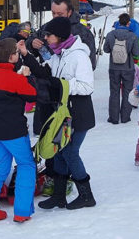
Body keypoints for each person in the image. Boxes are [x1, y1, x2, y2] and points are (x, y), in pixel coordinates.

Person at [38, 17, 96, 211]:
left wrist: (62, 85)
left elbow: (87, 86)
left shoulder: (78, 56)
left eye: (49, 34)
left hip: (79, 113)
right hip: (63, 113)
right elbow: (51, 73)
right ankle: (59, 196)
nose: (46, 37)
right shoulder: (59, 53)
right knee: (60, 152)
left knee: (70, 152)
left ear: (60, 36)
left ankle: (87, 196)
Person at [0, 38, 38, 224]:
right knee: (26, 165)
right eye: (17, 54)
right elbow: (32, 94)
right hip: (15, 131)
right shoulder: (16, 79)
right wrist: (27, 77)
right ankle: (21, 211)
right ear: (12, 57)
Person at [30, 0, 97, 69]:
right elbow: (29, 45)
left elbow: (90, 65)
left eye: (60, 14)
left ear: (69, 12)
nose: (55, 16)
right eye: (53, 13)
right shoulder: (46, 27)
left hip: (68, 78)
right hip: (46, 75)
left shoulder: (83, 33)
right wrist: (32, 44)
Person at [103, 13, 139, 124]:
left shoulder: (111, 35)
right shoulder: (132, 36)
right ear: (128, 23)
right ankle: (125, 117)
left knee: (114, 92)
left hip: (114, 68)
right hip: (128, 68)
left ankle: (113, 118)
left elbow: (106, 49)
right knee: (127, 92)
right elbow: (136, 53)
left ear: (118, 22)